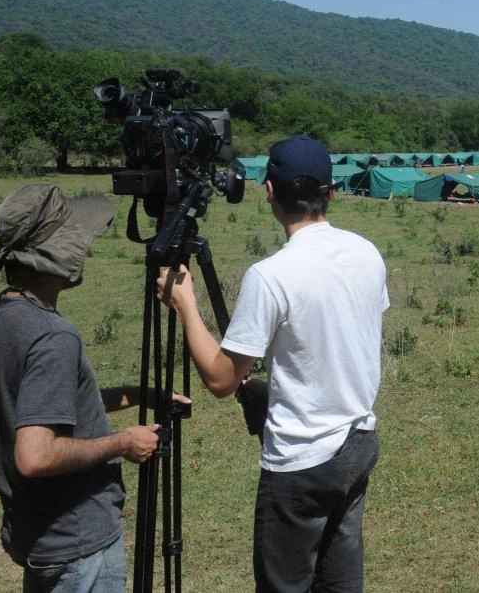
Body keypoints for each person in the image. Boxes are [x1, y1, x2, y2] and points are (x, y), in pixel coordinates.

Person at [157, 135, 389, 592]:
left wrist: (185, 303)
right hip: (358, 439)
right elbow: (340, 335)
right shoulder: (366, 251)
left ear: (269, 192)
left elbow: (221, 379)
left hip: (302, 460)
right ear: (332, 191)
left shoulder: (271, 274)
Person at [0, 183, 178, 593]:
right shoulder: (52, 335)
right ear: (58, 251)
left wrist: (140, 394)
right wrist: (123, 443)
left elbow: (45, 408)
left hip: (38, 530)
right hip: (76, 542)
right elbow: (36, 455)